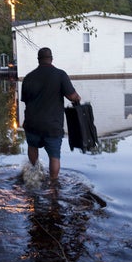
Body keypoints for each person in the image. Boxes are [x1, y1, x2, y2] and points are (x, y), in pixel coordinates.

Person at [21, 47, 81, 180]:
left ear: (38, 60)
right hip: (52, 126)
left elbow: (26, 102)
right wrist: (78, 98)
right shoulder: (60, 75)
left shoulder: (28, 77)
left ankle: (34, 174)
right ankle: (53, 184)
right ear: (51, 59)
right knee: (54, 156)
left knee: (32, 147)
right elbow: (72, 96)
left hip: (32, 124)